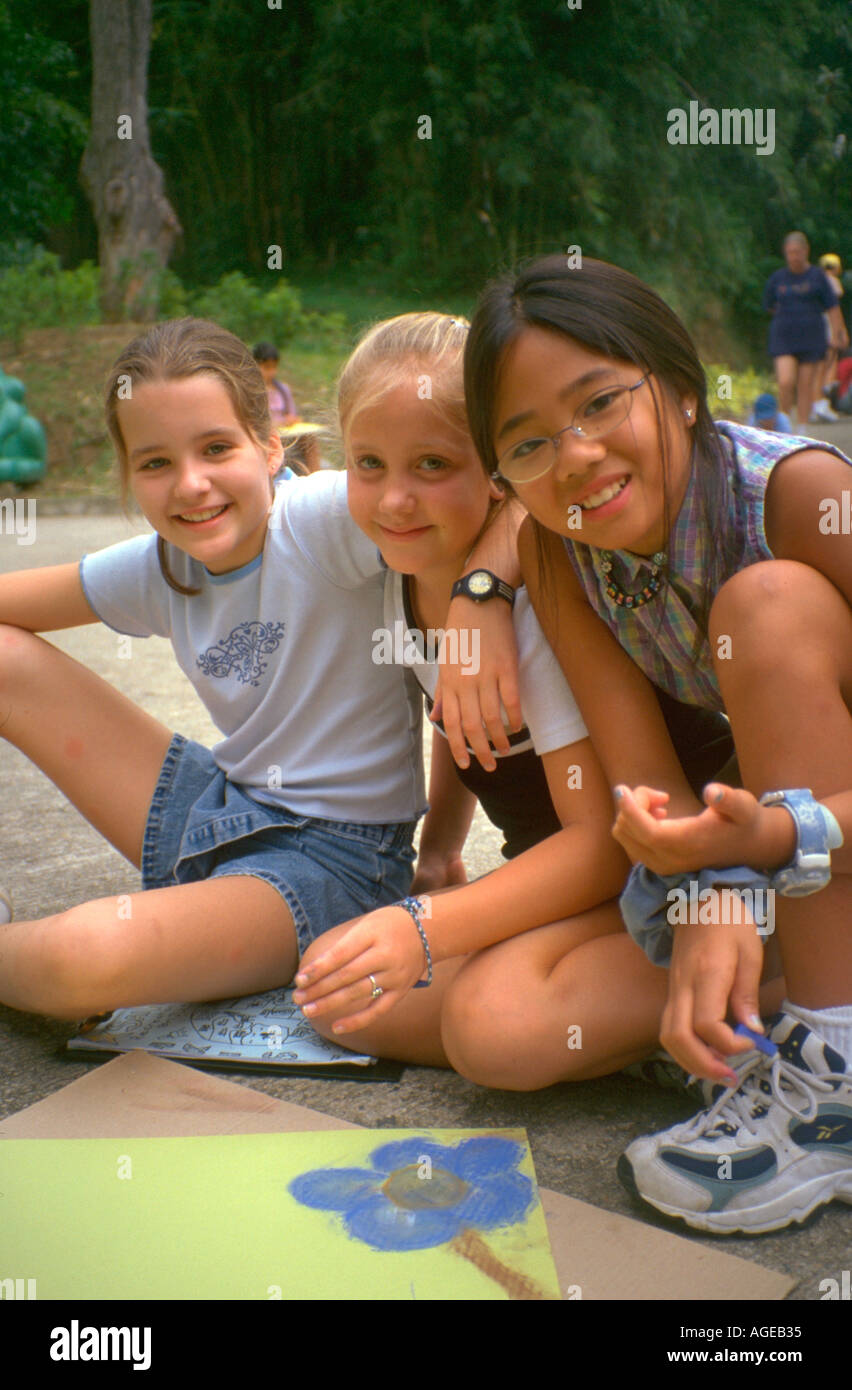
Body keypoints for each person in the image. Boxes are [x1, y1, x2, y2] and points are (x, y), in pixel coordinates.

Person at [463, 254, 852, 1234]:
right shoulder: (561, 554)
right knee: (501, 1032)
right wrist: (713, 887)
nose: (577, 454)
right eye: (530, 444)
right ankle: (800, 1012)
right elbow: (648, 785)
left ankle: (836, 1069)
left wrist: (764, 844)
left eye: (600, 402)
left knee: (764, 606)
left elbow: (756, 822)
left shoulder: (797, 497)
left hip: (817, 828)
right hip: (798, 839)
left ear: (680, 391)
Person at [290, 312, 780, 1088]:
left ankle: (774, 991)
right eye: (369, 464)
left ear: (496, 472)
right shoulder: (402, 579)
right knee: (341, 1003)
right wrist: (439, 853)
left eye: (431, 464)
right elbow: (461, 722)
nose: (395, 498)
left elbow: (602, 841)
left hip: (649, 864)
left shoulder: (534, 603)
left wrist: (427, 927)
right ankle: (650, 1027)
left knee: (497, 1028)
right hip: (564, 884)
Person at [0, 317, 515, 1020]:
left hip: (336, 864)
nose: (191, 485)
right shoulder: (163, 564)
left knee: (79, 962)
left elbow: (508, 501)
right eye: (154, 463)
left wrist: (481, 594)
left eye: (216, 448)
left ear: (270, 445)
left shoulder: (328, 520)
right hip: (218, 807)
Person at [761, 232, 846, 426]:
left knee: (805, 385)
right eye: (790, 253)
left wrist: (837, 333)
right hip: (783, 336)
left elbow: (832, 307)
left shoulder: (818, 277)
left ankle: (801, 429)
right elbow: (769, 305)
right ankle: (783, 425)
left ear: (806, 251)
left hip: (812, 337)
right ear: (785, 253)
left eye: (797, 252)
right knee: (785, 382)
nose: (794, 257)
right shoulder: (778, 279)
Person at [814, 253, 846, 413]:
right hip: (827, 322)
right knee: (829, 358)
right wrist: (840, 331)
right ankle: (823, 397)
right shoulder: (833, 282)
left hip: (814, 322)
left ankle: (818, 400)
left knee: (818, 361)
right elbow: (835, 308)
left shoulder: (816, 280)